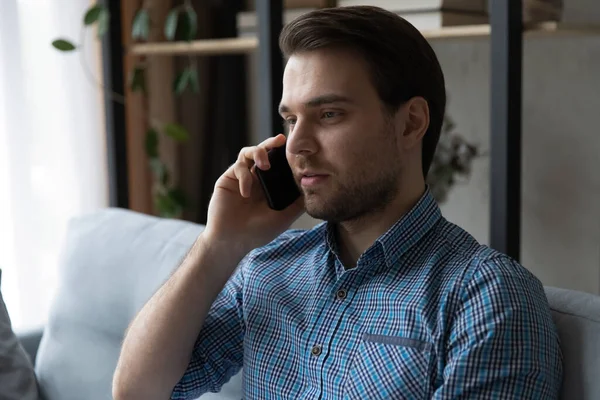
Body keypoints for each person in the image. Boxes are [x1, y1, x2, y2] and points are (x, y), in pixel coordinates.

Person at [112, 5, 563, 399]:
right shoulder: (269, 270)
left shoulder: (485, 298)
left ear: (410, 124)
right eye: (290, 119)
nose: (297, 145)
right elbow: (137, 392)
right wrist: (218, 245)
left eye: (329, 114)